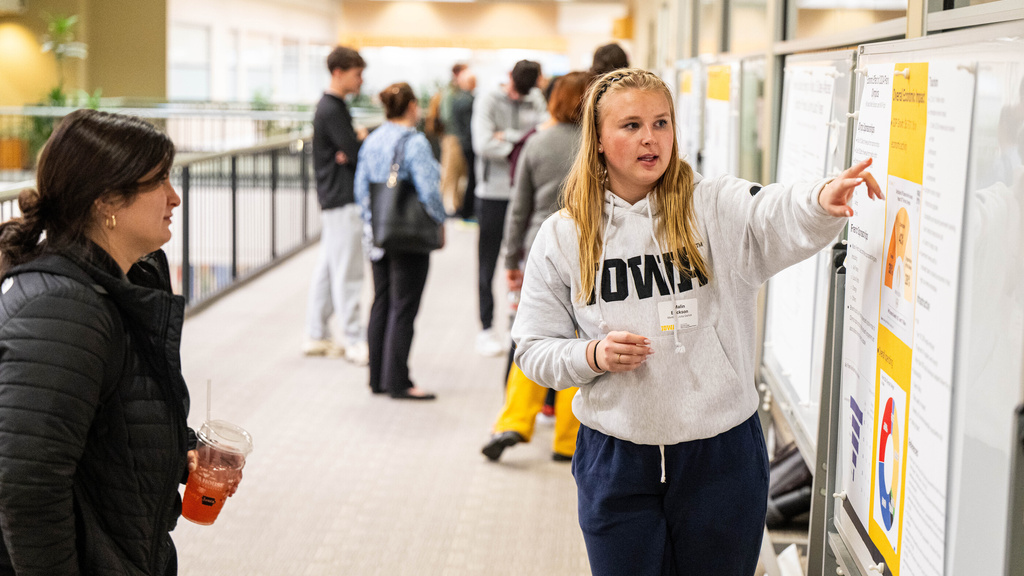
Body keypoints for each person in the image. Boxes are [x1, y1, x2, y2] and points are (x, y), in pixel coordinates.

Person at [511, 69, 883, 575]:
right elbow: (533, 347)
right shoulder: (565, 235)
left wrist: (820, 200)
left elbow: (772, 212)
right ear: (598, 141)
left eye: (661, 123)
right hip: (616, 455)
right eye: (632, 125)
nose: (650, 138)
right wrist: (590, 355)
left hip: (721, 453)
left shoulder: (713, 207)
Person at [0, 109, 207, 575]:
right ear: (107, 200)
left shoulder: (122, 281)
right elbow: (28, 489)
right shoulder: (62, 309)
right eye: (160, 182)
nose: (175, 197)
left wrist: (183, 452)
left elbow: (110, 421)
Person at [482, 71, 592, 463]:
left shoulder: (536, 143)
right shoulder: (598, 145)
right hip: (588, 251)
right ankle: (567, 439)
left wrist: (511, 258)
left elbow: (519, 207)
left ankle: (513, 421)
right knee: (577, 342)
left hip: (538, 249)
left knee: (533, 338)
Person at [354, 83, 446, 401]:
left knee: (381, 301)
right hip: (408, 235)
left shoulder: (374, 138)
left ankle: (377, 378)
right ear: (411, 107)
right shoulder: (415, 142)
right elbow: (429, 191)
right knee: (404, 306)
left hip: (378, 233)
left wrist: (373, 222)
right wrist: (439, 220)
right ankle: (399, 381)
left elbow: (360, 189)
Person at [471, 59, 548, 357]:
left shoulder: (535, 97)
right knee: (488, 263)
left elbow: (544, 132)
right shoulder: (489, 100)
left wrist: (509, 137)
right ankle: (485, 327)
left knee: (520, 263)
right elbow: (483, 144)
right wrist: (524, 144)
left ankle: (513, 323)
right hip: (493, 193)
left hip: (524, 194)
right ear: (509, 80)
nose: (520, 98)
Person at [304, 45, 370, 365]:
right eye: (357, 75)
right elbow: (353, 152)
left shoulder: (332, 107)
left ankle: (316, 333)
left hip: (334, 197)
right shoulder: (332, 109)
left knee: (330, 268)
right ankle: (354, 339)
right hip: (342, 198)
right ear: (338, 72)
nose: (361, 82)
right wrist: (355, 142)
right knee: (348, 272)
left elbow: (350, 150)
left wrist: (354, 143)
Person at [438, 63, 470, 215]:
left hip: (460, 138)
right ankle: (446, 206)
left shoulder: (460, 92)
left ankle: (456, 205)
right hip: (452, 137)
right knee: (450, 172)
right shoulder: (450, 93)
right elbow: (446, 117)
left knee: (459, 173)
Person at [450, 70, 478, 220]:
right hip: (470, 144)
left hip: (463, 142)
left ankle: (465, 208)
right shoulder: (470, 101)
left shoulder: (457, 99)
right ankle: (467, 210)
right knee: (472, 177)